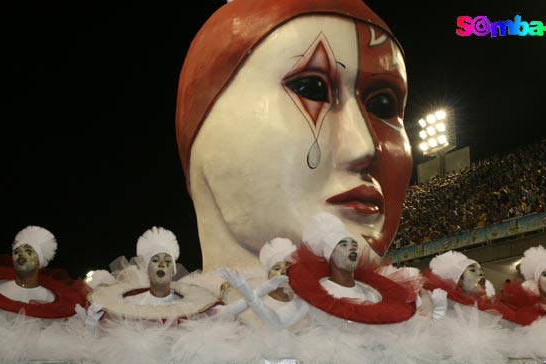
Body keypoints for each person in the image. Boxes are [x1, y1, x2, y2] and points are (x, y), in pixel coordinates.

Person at [175, 0, 413, 274]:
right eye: (311, 88)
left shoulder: (444, 311)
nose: (364, 146)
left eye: (383, 105)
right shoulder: (145, 313)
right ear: (203, 126)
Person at [221, 212, 417, 327]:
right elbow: (277, 322)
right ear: (329, 256)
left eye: (354, 244)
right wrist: (252, 296)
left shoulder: (371, 294)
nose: (353, 247)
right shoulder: (313, 293)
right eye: (343, 244)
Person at [86, 227, 217, 320]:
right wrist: (92, 323)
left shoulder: (188, 306)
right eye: (155, 260)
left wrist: (239, 291)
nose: (162, 264)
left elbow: (220, 315)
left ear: (173, 271)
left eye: (167, 261)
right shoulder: (130, 303)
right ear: (147, 269)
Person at [0, 226, 86, 318]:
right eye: (17, 251)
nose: (21, 256)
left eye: (28, 252)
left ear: (40, 260)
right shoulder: (0, 287)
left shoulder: (48, 297)